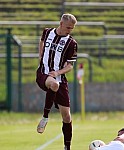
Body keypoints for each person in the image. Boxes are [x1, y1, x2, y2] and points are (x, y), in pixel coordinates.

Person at [36, 13, 78, 150]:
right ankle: (45, 117)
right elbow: (41, 41)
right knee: (53, 84)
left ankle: (67, 147)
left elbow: (70, 66)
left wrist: (57, 73)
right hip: (44, 73)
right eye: (68, 27)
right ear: (61, 24)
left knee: (66, 116)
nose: (69, 30)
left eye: (71, 28)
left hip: (59, 77)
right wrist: (40, 56)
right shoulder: (47, 32)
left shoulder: (71, 43)